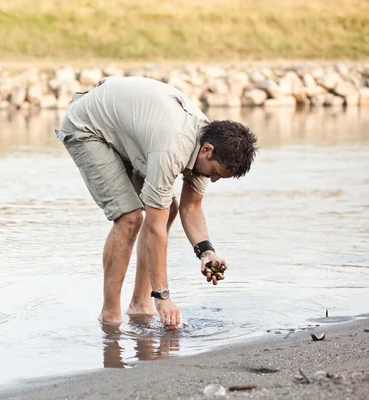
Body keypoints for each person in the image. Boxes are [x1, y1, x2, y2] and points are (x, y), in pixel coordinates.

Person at [55, 76, 258, 329]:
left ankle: (140, 304)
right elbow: (154, 228)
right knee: (130, 218)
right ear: (207, 150)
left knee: (168, 209)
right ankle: (110, 316)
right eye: (215, 172)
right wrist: (164, 297)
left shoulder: (209, 145)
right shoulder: (173, 149)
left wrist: (206, 253)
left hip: (130, 130)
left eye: (220, 177)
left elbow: (190, 207)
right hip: (88, 126)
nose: (214, 180)